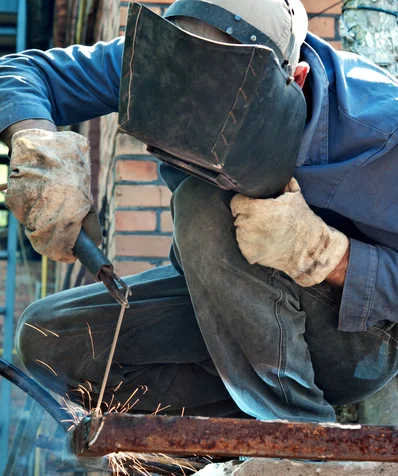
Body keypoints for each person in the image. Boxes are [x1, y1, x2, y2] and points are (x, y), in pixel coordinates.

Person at [1, 0, 398, 423]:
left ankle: (303, 437)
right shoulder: (162, 64)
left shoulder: (380, 131)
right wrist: (40, 150)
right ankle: (223, 442)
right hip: (227, 315)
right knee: (50, 339)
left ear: (295, 81)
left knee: (203, 203)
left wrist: (322, 253)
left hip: (354, 341)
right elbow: (20, 73)